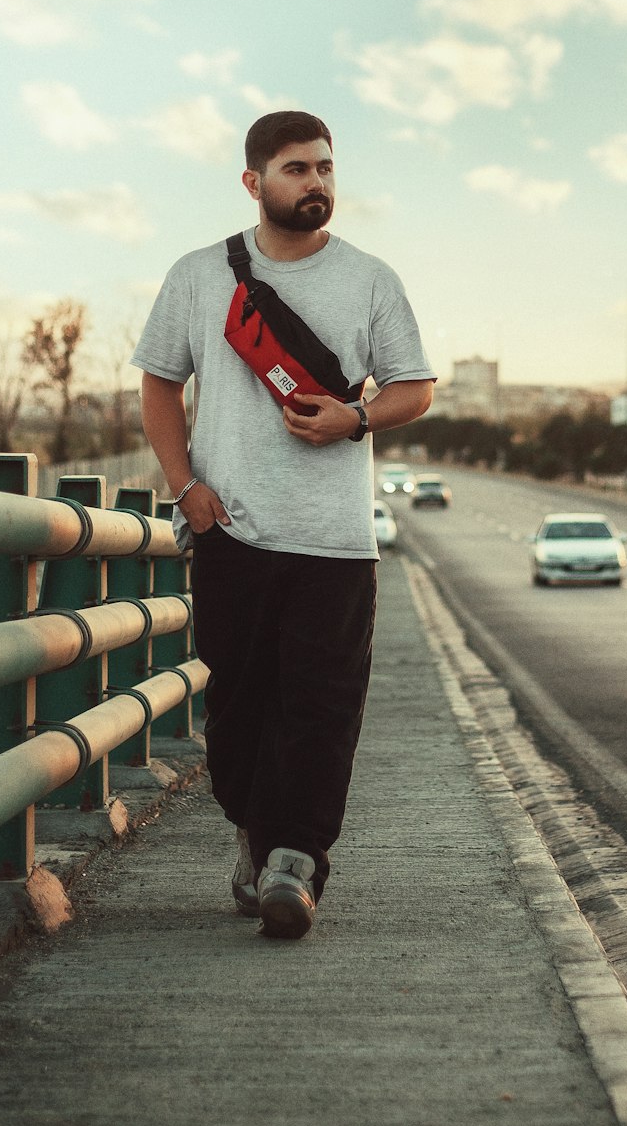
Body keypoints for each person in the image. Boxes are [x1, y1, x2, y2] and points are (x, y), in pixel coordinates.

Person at [133, 109, 434, 939]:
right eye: (298, 169)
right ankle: (254, 834)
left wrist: (357, 418)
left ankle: (295, 864)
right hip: (233, 532)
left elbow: (415, 387)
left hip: (336, 539)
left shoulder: (370, 278)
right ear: (254, 181)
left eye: (326, 169)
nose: (317, 184)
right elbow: (159, 386)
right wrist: (183, 485)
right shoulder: (200, 276)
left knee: (323, 707)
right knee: (238, 710)